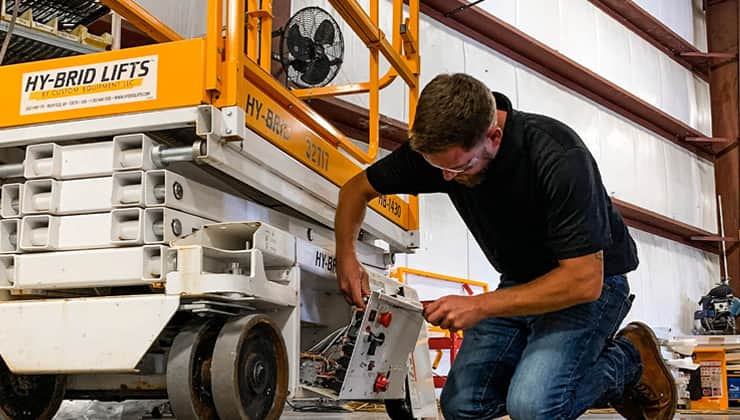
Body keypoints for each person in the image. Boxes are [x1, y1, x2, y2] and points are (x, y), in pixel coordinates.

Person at [334, 73, 676, 419]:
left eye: (459, 167)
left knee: (533, 408)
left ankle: (629, 358)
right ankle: (545, 375)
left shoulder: (558, 157)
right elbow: (354, 190)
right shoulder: (443, 155)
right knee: (462, 407)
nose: (448, 178)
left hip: (593, 283)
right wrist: (346, 257)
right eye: (440, 169)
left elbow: (584, 280)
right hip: (520, 281)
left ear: (494, 137)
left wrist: (480, 305)